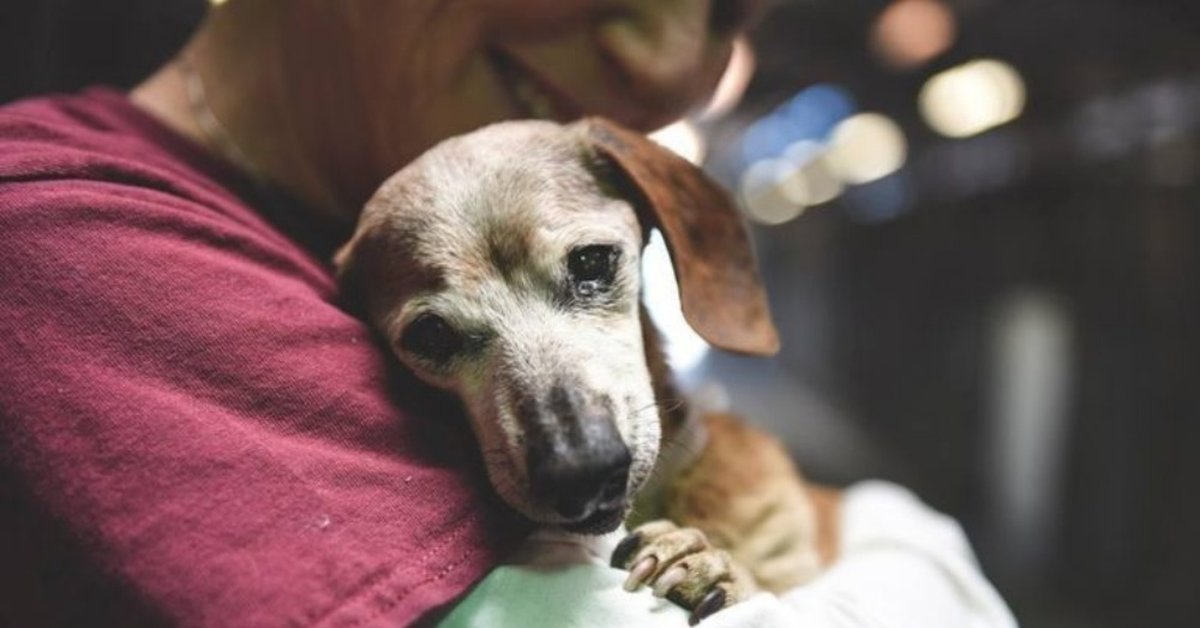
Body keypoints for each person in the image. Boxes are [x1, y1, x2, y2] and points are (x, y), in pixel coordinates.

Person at [0, 0, 1016, 626]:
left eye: (725, 10)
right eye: (439, 337)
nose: (670, 62)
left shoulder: (336, 242)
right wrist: (913, 541)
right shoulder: (60, 235)